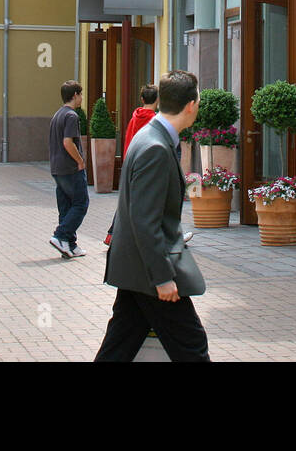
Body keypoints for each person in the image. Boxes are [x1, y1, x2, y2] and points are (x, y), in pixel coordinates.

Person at [95, 69, 209, 361]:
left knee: (119, 345)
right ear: (191, 105)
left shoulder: (151, 136)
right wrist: (162, 278)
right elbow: (145, 221)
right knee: (191, 345)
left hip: (136, 268)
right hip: (149, 272)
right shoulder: (155, 146)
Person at [48, 80, 87, 259]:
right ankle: (60, 235)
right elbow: (67, 142)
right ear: (74, 96)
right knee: (80, 204)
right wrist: (79, 160)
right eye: (81, 94)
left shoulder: (57, 114)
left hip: (57, 168)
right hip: (70, 167)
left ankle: (70, 245)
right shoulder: (71, 116)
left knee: (66, 207)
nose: (82, 98)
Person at [122, 84, 158, 156]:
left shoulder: (134, 118)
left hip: (132, 160)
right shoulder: (156, 121)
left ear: (142, 99)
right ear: (157, 99)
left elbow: (128, 142)